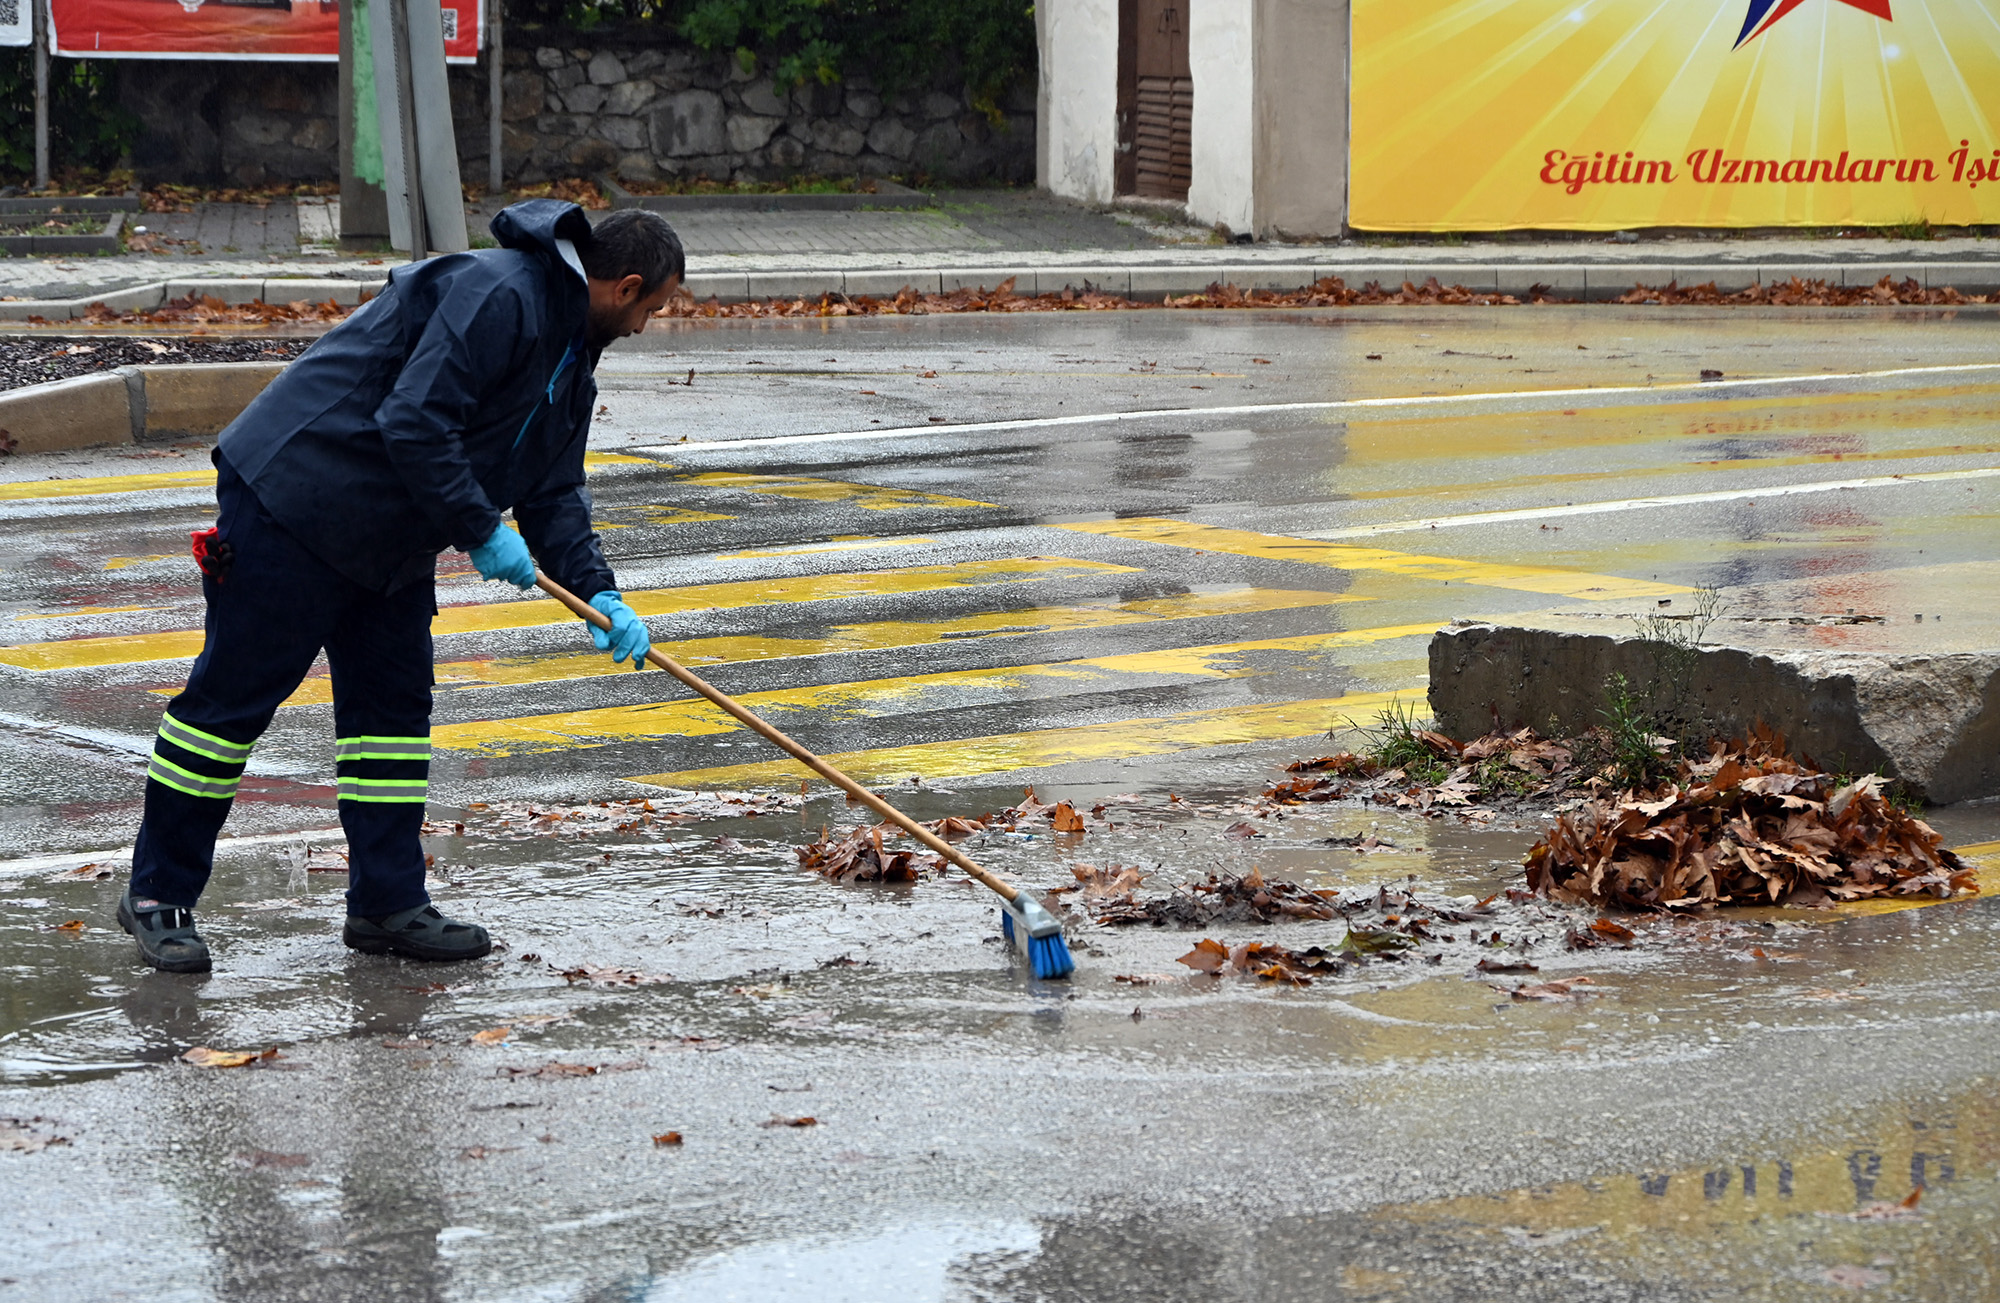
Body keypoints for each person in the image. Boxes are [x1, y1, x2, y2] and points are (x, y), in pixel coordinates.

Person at [118, 200, 683, 973]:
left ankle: (386, 902)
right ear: (625, 287)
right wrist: (481, 528)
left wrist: (600, 593)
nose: (648, 326)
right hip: (297, 499)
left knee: (389, 722)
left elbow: (554, 491)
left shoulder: (570, 360)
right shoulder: (500, 296)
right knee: (226, 711)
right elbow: (415, 418)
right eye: (654, 308)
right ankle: (158, 894)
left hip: (392, 536)